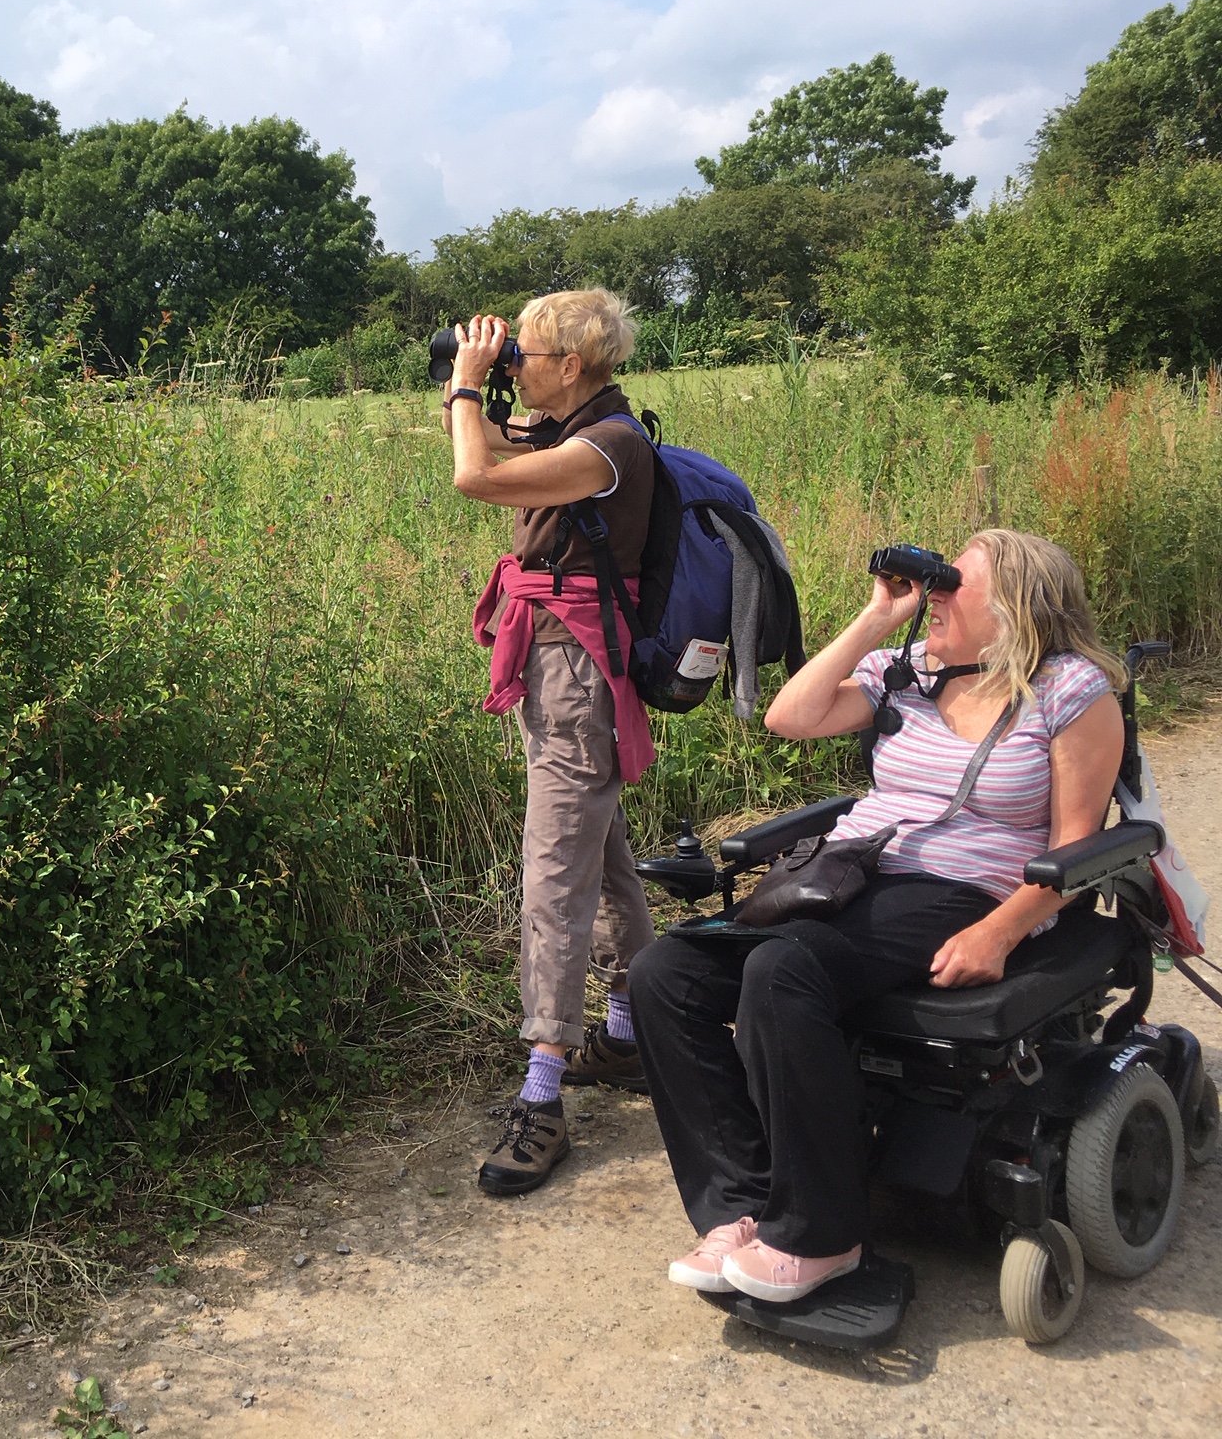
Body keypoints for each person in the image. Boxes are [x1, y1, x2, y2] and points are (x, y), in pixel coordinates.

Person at [629, 529, 1127, 1302]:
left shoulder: (1068, 692)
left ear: (1016, 606)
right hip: (855, 870)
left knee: (782, 971)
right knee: (666, 974)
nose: (933, 594)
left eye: (951, 584)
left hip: (969, 889)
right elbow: (789, 717)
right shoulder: (907, 670)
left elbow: (1076, 848)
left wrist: (1001, 931)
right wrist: (876, 619)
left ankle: (822, 1237)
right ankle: (742, 1208)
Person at [445, 290, 658, 1198]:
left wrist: (463, 385)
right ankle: (633, 1034)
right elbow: (494, 448)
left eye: (523, 353)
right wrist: (477, 392)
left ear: (571, 364)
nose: (511, 363)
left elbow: (475, 478)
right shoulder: (580, 431)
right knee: (601, 860)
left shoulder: (609, 447)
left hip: (580, 675)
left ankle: (542, 1100)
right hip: (563, 667)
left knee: (553, 878)